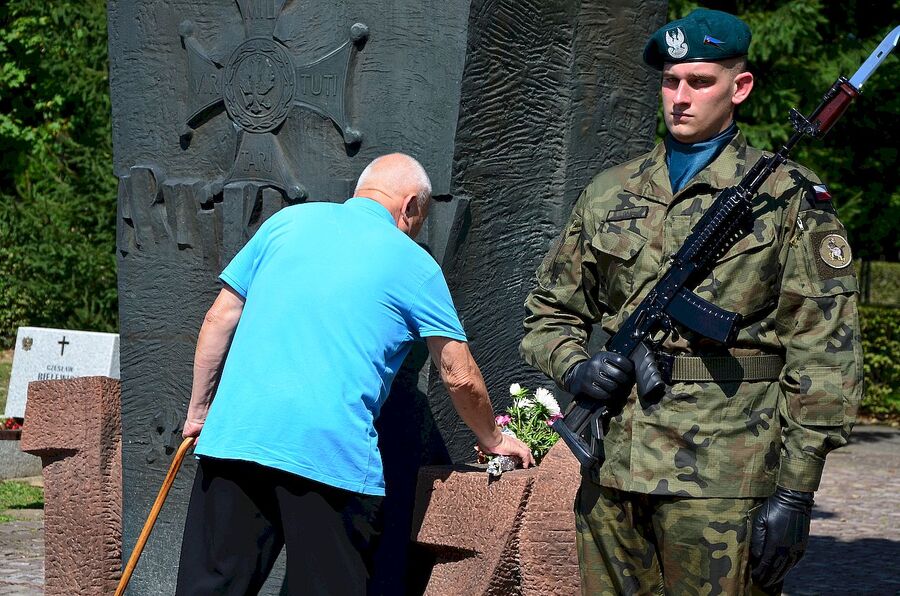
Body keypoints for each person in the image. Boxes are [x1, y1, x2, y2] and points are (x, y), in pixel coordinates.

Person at [520, 9, 862, 595]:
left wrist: (796, 492)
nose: (680, 98)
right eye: (670, 82)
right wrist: (577, 365)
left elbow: (825, 354)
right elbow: (548, 313)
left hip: (724, 475)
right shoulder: (611, 191)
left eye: (700, 82)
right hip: (615, 468)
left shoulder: (788, 200)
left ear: (740, 87)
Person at [176, 153, 534, 595]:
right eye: (418, 221)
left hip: (234, 440)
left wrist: (198, 413)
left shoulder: (285, 224)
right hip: (329, 457)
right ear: (410, 208)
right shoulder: (415, 264)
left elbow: (219, 319)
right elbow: (457, 373)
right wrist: (494, 439)